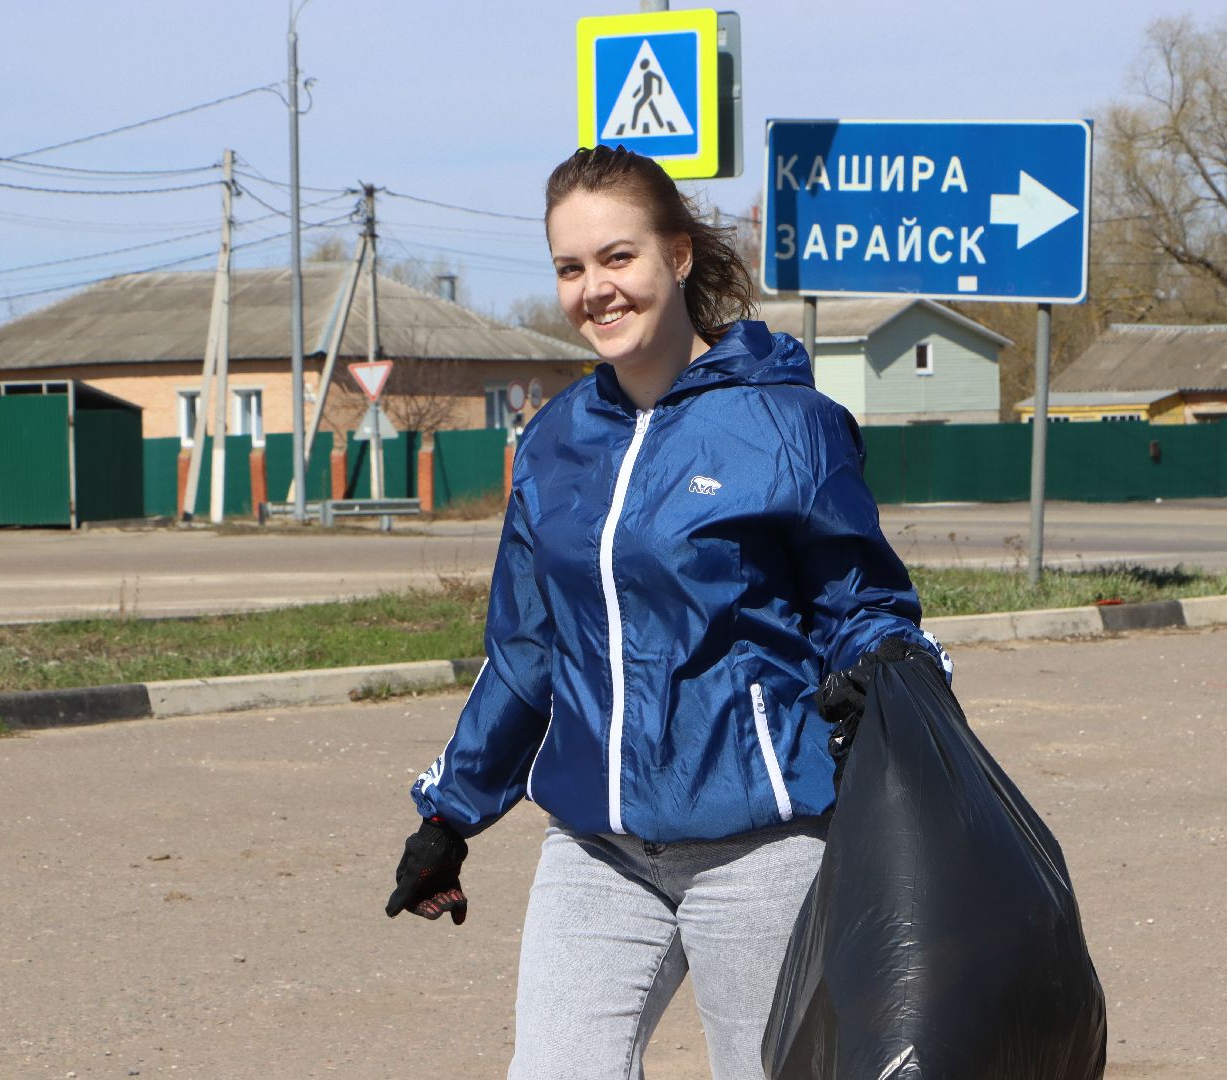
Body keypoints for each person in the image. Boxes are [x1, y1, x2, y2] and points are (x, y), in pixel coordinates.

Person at [385, 144, 949, 1080]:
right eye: (571, 268)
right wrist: (449, 815)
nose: (594, 289)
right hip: (600, 848)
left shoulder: (785, 424)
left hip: (761, 848)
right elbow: (527, 652)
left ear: (677, 257)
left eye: (618, 258)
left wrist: (884, 672)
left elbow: (866, 604)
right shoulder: (555, 442)